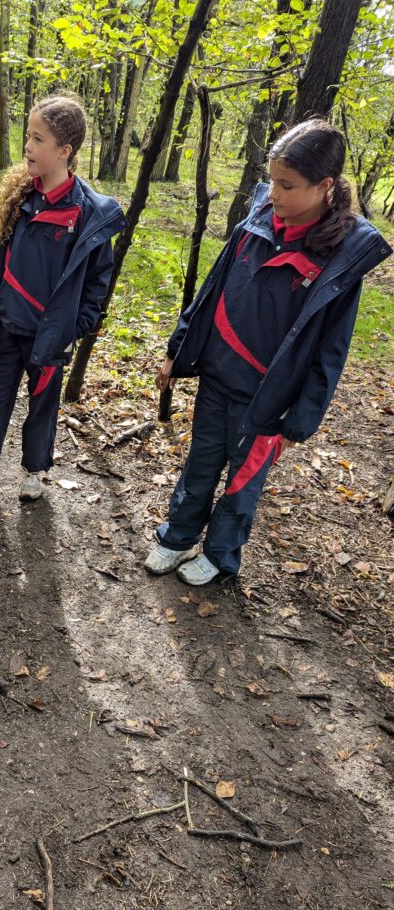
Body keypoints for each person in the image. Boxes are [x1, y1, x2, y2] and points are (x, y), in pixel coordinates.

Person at [143, 118, 391, 585]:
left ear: (324, 187)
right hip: (218, 375)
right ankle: (177, 537)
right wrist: (178, 350)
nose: (274, 193)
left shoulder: (339, 259)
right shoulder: (255, 222)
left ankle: (219, 556)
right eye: (272, 179)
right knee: (201, 461)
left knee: (242, 481)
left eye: (287, 185)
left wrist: (303, 416)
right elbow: (211, 291)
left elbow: (331, 349)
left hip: (267, 401)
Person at [0, 95, 125, 500]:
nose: (27, 148)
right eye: (28, 137)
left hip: (50, 336)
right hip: (10, 325)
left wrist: (77, 324)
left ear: (64, 151)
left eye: (37, 139)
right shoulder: (22, 197)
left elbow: (97, 280)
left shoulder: (86, 213)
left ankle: (34, 473)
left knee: (42, 405)